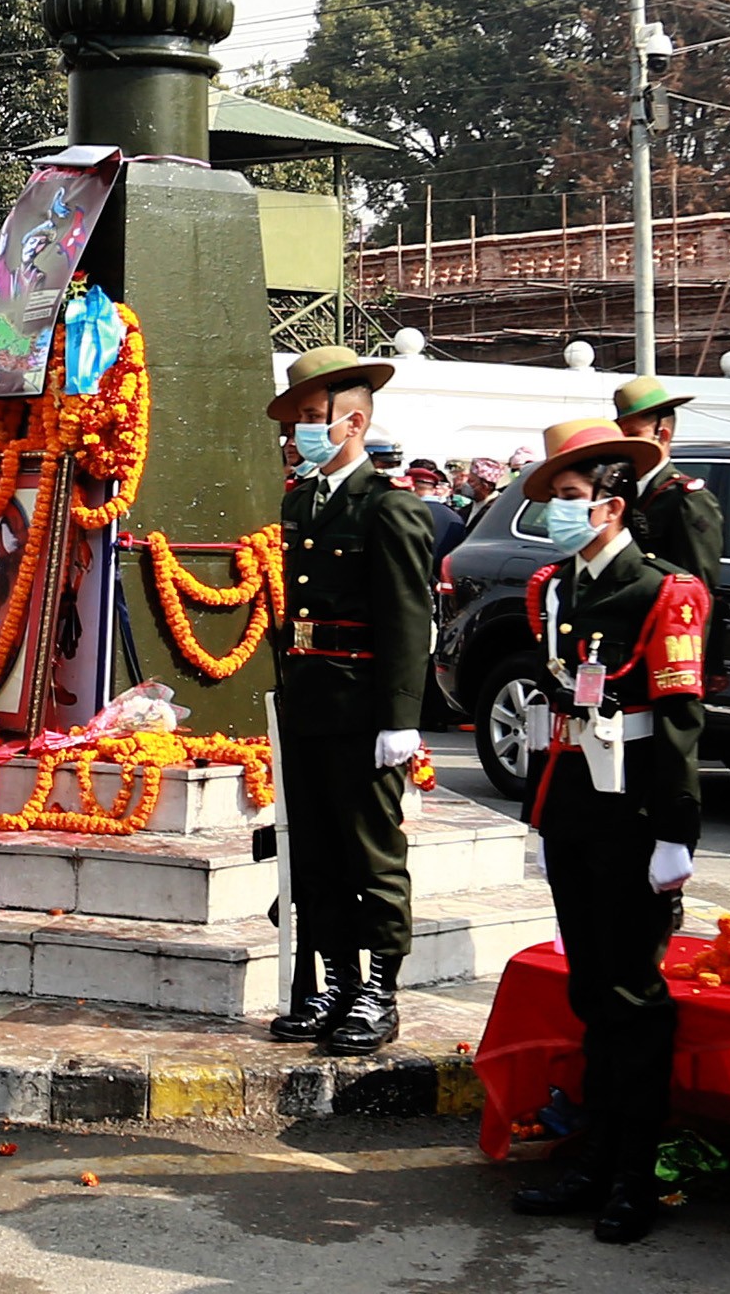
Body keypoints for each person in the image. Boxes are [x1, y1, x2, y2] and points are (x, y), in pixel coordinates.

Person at [505, 416, 710, 1248]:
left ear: (613, 508)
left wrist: (676, 832)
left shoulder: (664, 591)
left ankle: (636, 1174)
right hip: (572, 803)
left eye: (573, 498)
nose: (560, 511)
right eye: (555, 497)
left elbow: (681, 720)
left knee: (634, 997)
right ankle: (592, 1157)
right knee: (591, 987)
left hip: (633, 810)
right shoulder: (553, 589)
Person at [263, 343, 435, 1056]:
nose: (300, 432)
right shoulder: (302, 500)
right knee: (318, 853)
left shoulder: (389, 508)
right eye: (297, 419)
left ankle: (380, 990)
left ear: (353, 422)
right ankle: (334, 979)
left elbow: (405, 620)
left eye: (312, 418)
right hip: (310, 707)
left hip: (363, 712)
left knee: (371, 854)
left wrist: (400, 721)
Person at [610, 372, 722, 590]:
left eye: (634, 434)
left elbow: (697, 588)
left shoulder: (686, 499)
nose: (626, 444)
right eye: (621, 436)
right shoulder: (619, 492)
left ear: (662, 436)